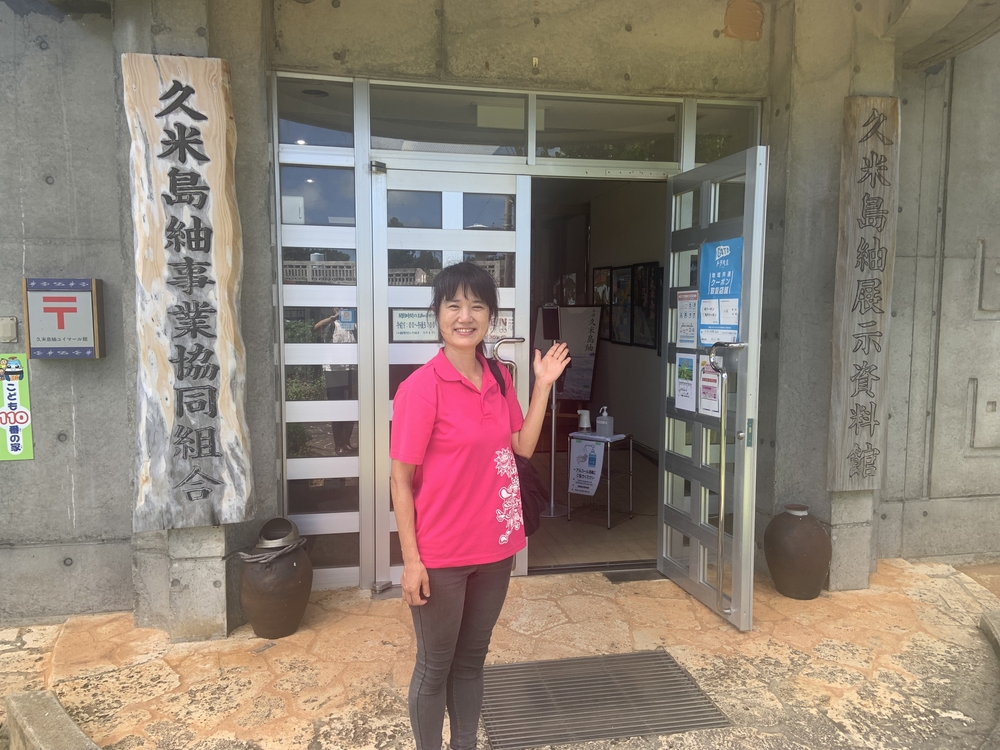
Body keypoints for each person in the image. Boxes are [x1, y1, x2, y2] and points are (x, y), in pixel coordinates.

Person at [390, 262, 570, 750]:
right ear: (437, 314)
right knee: (435, 666)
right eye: (454, 305)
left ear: (491, 316)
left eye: (477, 306)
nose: (465, 316)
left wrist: (543, 384)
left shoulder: (499, 377)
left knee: (471, 661)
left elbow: (522, 446)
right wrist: (411, 562)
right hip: (441, 556)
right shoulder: (420, 389)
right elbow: (400, 481)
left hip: (495, 550)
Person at [313, 309, 357, 454]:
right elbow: (316, 328)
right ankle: (339, 445)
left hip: (351, 369)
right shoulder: (331, 324)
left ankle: (347, 442)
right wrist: (333, 318)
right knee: (337, 407)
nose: (342, 310)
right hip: (334, 371)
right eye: (339, 307)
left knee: (351, 406)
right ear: (334, 309)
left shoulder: (353, 324)